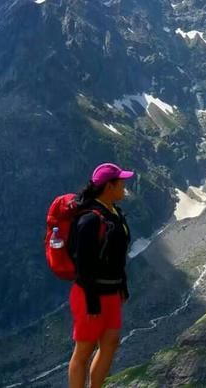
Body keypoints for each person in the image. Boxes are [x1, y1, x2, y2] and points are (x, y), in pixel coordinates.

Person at [68, 162, 133, 388]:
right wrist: (93, 302)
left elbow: (117, 256)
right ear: (109, 186)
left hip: (111, 291)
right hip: (89, 294)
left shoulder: (114, 213)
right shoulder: (90, 219)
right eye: (121, 182)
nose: (124, 185)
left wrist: (122, 286)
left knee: (111, 342)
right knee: (83, 351)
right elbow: (83, 263)